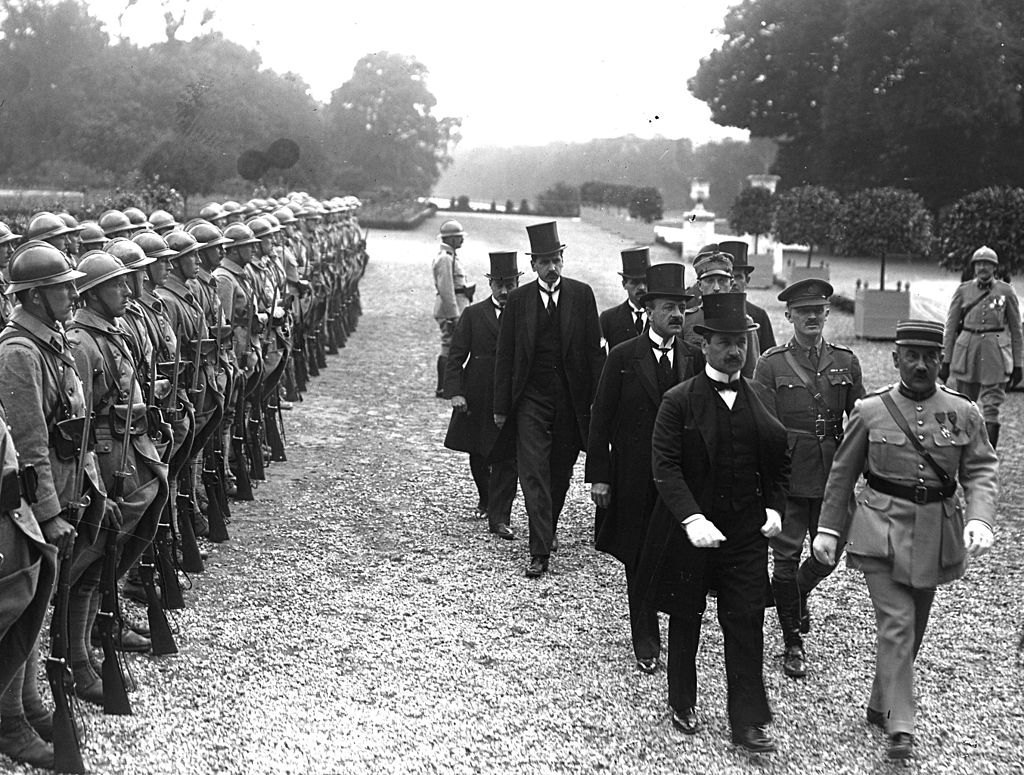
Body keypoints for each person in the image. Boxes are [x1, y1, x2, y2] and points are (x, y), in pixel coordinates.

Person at [813, 319, 997, 761]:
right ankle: (901, 723)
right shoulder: (870, 410)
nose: (920, 365)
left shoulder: (964, 412)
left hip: (936, 532)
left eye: (930, 357)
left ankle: (880, 702)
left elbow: (981, 470)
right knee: (896, 624)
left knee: (914, 627)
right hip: (879, 530)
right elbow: (842, 474)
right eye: (911, 356)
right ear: (896, 359)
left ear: (941, 360)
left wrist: (982, 519)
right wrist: (828, 530)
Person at [635, 291, 789, 753]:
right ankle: (682, 700)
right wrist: (691, 516)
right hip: (695, 534)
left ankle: (748, 720)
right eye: (723, 341)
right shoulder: (678, 401)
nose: (734, 350)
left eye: (739, 341)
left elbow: (779, 459)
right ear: (704, 345)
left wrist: (776, 508)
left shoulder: (760, 397)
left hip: (745, 534)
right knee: (687, 616)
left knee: (745, 620)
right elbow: (664, 466)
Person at [586, 262, 703, 674]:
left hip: (681, 479)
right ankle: (645, 636)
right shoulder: (622, 356)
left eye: (683, 309)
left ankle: (675, 626)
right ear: (650, 308)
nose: (677, 316)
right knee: (636, 554)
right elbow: (600, 419)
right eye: (669, 307)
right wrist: (599, 475)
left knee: (677, 552)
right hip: (633, 475)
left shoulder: (694, 357)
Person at [753, 278, 864, 678]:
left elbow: (861, 421)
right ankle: (792, 643)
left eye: (818, 311)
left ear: (827, 314)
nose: (812, 318)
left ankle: (794, 596)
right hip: (788, 475)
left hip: (832, 474)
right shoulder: (771, 364)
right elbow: (763, 428)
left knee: (827, 555)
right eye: (804, 312)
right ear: (789, 316)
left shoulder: (846, 362)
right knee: (783, 561)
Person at [493, 221, 605, 578]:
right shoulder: (519, 301)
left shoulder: (582, 295)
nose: (551, 267)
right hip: (531, 400)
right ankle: (539, 551)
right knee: (534, 472)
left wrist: (595, 403)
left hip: (570, 401)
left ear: (562, 260)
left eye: (555, 259)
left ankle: (547, 527)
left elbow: (593, 354)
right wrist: (500, 407)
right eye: (543, 262)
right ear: (533, 265)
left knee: (560, 473)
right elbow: (505, 355)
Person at [443, 251, 520, 538]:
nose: (504, 290)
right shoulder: (473, 314)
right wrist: (456, 392)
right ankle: (486, 498)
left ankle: (501, 516)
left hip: (511, 394)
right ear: (489, 284)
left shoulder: (524, 314)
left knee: (508, 456)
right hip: (478, 392)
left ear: (517, 284)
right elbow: (456, 356)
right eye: (499, 284)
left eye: (509, 284)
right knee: (478, 451)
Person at [940, 245, 1022, 448]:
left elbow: (1016, 330)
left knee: (992, 405)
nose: (983, 268)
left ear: (995, 268)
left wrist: (1019, 364)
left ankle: (989, 453)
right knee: (965, 403)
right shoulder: (963, 291)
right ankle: (964, 449)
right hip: (968, 351)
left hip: (995, 353)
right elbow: (950, 328)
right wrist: (946, 359)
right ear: (974, 267)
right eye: (979, 264)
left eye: (988, 264)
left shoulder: (1006, 291)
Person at [682, 249, 759, 377]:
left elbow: (751, 370)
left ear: (731, 284)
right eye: (710, 281)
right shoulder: (687, 320)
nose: (716, 288)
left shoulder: (745, 322)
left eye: (722, 281)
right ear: (700, 285)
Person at [432, 219, 474, 398]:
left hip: (457, 304)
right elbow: (446, 289)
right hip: (450, 309)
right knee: (448, 346)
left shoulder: (451, 256)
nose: (461, 240)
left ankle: (447, 386)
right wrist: (454, 315)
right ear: (450, 239)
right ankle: (443, 387)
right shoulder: (445, 259)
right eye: (458, 237)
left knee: (452, 346)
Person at [719, 240, 775, 353]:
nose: (733, 282)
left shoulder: (759, 316)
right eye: (728, 277)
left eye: (738, 277)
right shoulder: (708, 313)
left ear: (747, 280)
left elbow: (769, 356)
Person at [599, 246, 650, 350]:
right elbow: (598, 354)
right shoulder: (608, 318)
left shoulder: (660, 317)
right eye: (635, 282)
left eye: (645, 281)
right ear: (624, 284)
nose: (641, 287)